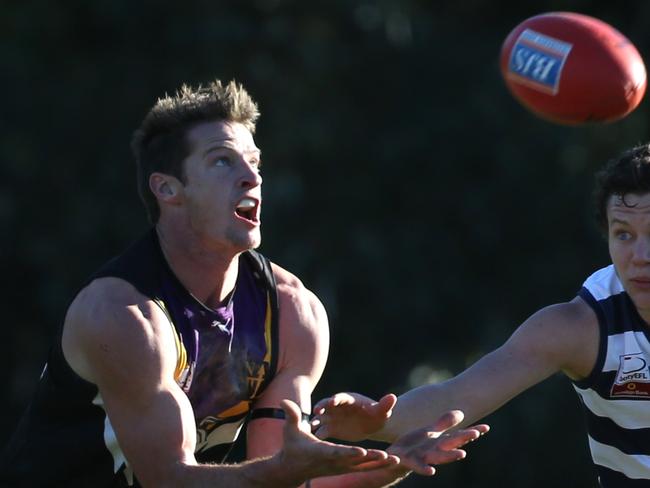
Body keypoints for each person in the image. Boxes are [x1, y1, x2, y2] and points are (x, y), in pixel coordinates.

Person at [0, 79, 488, 488]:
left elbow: (281, 475)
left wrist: (390, 463)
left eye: (255, 162)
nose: (252, 177)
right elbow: (171, 479)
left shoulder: (295, 314)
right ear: (168, 189)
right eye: (222, 161)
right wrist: (282, 470)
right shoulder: (123, 317)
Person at [312, 142, 650, 487]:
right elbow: (454, 398)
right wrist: (379, 421)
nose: (640, 255)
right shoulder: (583, 326)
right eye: (623, 233)